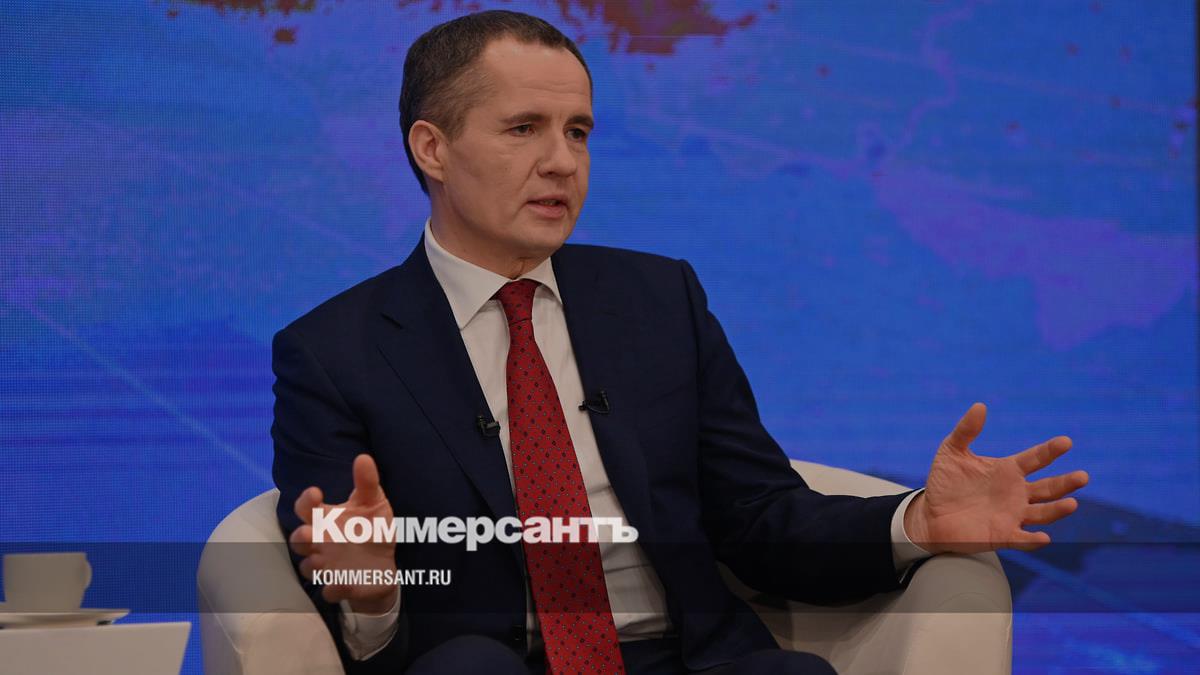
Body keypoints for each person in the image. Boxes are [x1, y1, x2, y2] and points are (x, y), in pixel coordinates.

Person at [272, 10, 1088, 675]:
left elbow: (760, 517)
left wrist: (916, 521)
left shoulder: (659, 300)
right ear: (432, 148)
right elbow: (345, 577)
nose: (562, 162)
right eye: (524, 128)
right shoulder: (333, 352)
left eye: (579, 131)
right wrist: (373, 593)